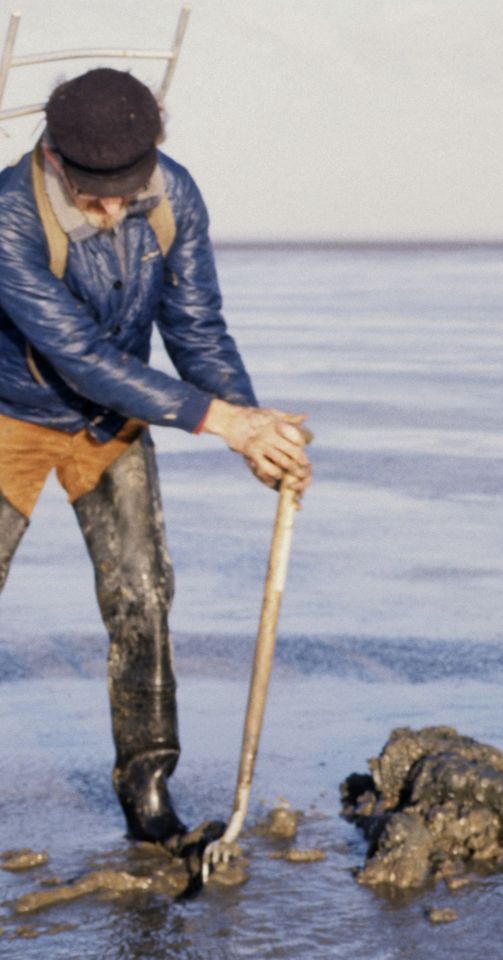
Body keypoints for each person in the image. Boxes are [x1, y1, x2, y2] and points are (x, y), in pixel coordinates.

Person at [0, 68, 311, 845]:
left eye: (125, 195)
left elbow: (196, 324)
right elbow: (76, 355)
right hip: (9, 418)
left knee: (143, 598)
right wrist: (218, 421)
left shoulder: (172, 194)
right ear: (55, 157)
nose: (111, 213)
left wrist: (250, 424)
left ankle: (148, 799)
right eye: (94, 196)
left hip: (112, 424)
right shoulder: (7, 215)